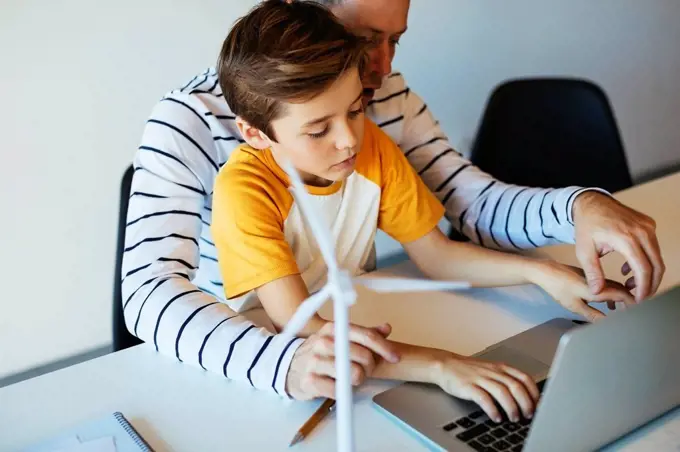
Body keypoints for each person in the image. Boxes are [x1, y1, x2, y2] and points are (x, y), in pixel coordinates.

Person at [122, 0, 664, 403]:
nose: (379, 70)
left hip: (362, 335)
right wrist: (285, 363)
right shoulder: (196, 132)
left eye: (394, 41)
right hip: (253, 367)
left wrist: (573, 219)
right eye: (361, 40)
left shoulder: (371, 112)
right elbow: (150, 293)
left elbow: (465, 204)